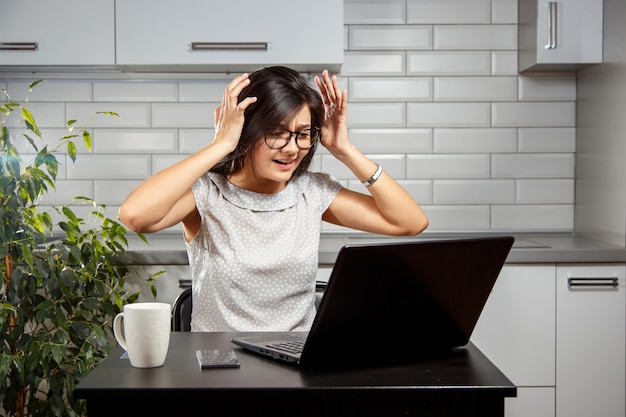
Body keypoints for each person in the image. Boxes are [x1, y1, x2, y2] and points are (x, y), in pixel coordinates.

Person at [118, 66, 428, 332]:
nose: (292, 148)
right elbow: (135, 216)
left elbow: (411, 222)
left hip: (297, 371)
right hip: (220, 370)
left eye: (303, 133)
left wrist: (345, 150)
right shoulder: (207, 193)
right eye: (277, 133)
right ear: (246, 131)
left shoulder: (312, 192)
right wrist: (220, 145)